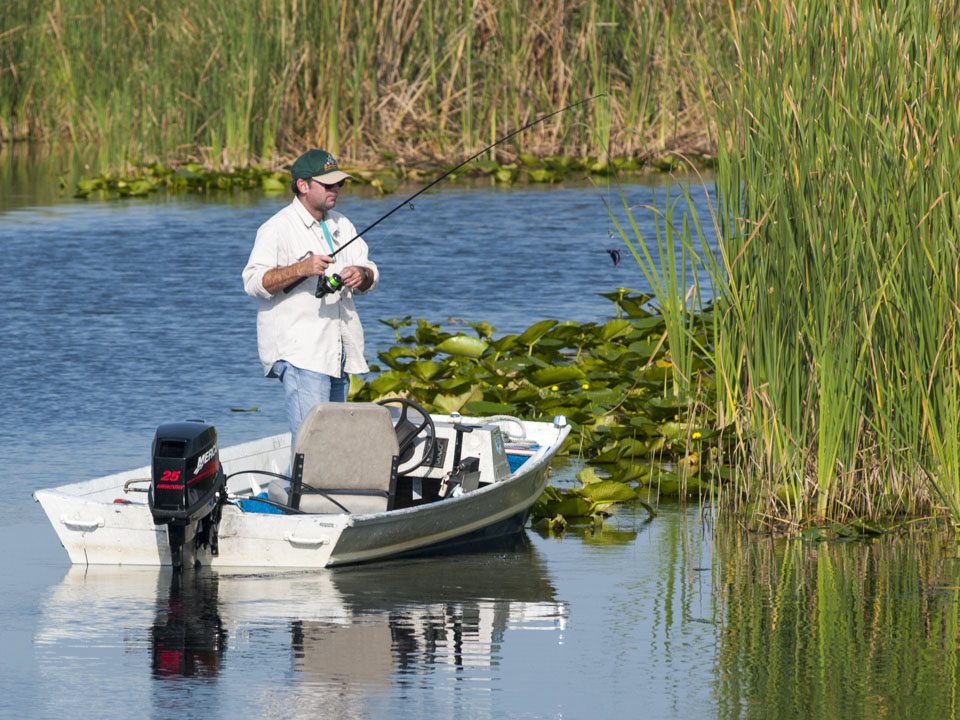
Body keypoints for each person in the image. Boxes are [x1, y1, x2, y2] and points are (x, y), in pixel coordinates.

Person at [242, 148, 378, 448]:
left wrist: (361, 274)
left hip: (339, 350)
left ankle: (327, 491)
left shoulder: (342, 224)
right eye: (328, 184)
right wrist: (302, 268)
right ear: (303, 185)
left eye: (339, 184)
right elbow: (253, 282)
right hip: (301, 352)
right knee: (312, 442)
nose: (336, 190)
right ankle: (301, 494)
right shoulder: (277, 228)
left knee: (335, 439)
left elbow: (370, 271)